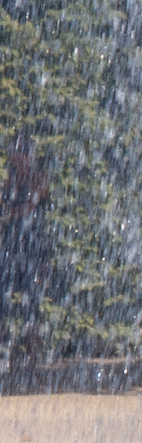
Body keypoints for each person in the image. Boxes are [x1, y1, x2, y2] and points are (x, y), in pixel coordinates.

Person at [0, 135, 52, 373]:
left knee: (31, 301)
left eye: (17, 152)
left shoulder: (36, 177)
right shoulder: (11, 179)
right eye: (12, 152)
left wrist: (13, 208)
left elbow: (29, 207)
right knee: (3, 296)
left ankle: (32, 358)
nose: (13, 156)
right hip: (12, 242)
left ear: (27, 154)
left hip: (31, 244)